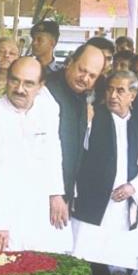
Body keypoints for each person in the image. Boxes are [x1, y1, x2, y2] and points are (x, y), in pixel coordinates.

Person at [0, 58, 72, 253]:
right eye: (14, 81)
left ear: (41, 86)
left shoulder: (49, 108)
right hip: (7, 210)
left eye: (28, 84)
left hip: (41, 206)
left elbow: (53, 152)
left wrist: (56, 193)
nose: (20, 89)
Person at [72, 71, 138, 275]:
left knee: (118, 272)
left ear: (132, 95)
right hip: (91, 205)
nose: (113, 95)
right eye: (110, 89)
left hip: (124, 207)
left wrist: (134, 186)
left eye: (120, 91)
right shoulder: (93, 116)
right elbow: (77, 156)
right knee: (83, 264)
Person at [45, 43, 105, 208]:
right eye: (82, 70)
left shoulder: (80, 97)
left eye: (92, 76)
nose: (85, 78)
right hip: (47, 196)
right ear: (70, 62)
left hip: (63, 197)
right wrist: (55, 193)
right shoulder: (47, 92)